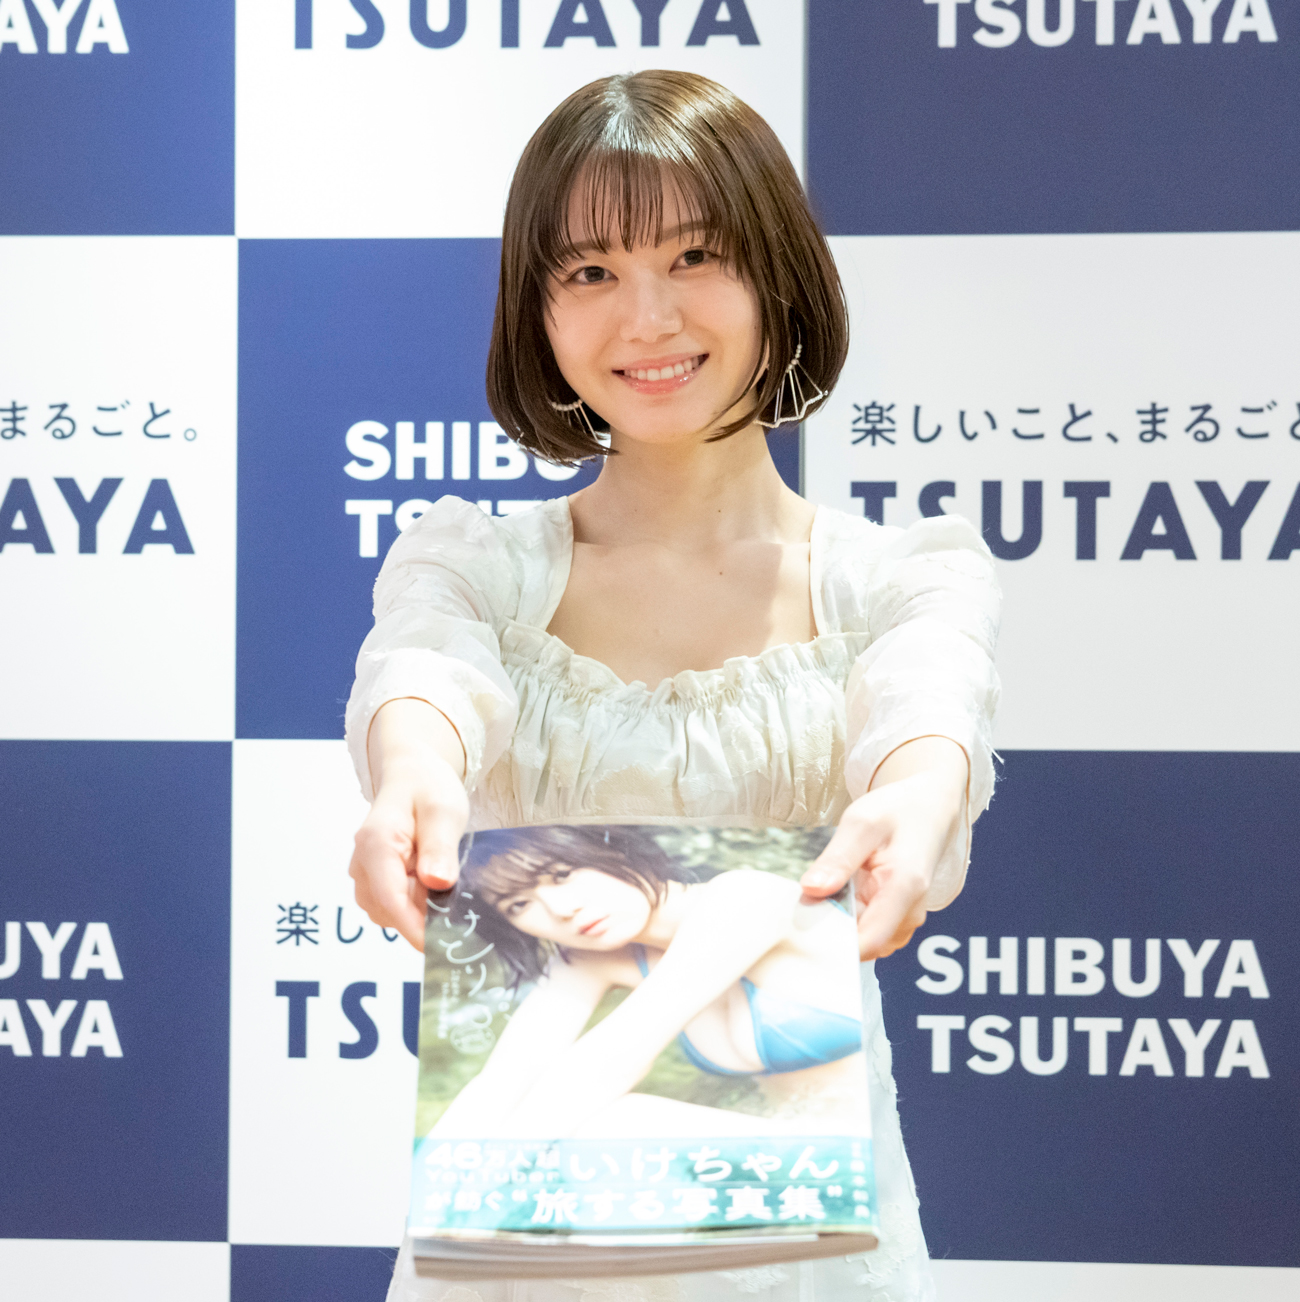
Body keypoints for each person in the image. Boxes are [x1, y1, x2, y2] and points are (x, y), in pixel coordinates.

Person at [345, 69, 1000, 1302]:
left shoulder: (899, 579)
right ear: (536, 311)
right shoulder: (474, 565)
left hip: (805, 1255)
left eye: (694, 256)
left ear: (776, 274)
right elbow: (424, 671)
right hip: (521, 1257)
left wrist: (917, 799)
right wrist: (413, 771)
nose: (645, 317)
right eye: (590, 271)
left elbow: (931, 703)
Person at [429, 825, 868, 1142]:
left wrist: (485, 1182)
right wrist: (428, 1198)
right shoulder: (592, 959)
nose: (560, 908)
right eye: (519, 904)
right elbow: (503, 1080)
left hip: (866, 1153)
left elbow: (616, 1056)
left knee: (616, 1125)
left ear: (612, 850)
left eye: (562, 874)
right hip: (789, 1156)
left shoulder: (746, 898)